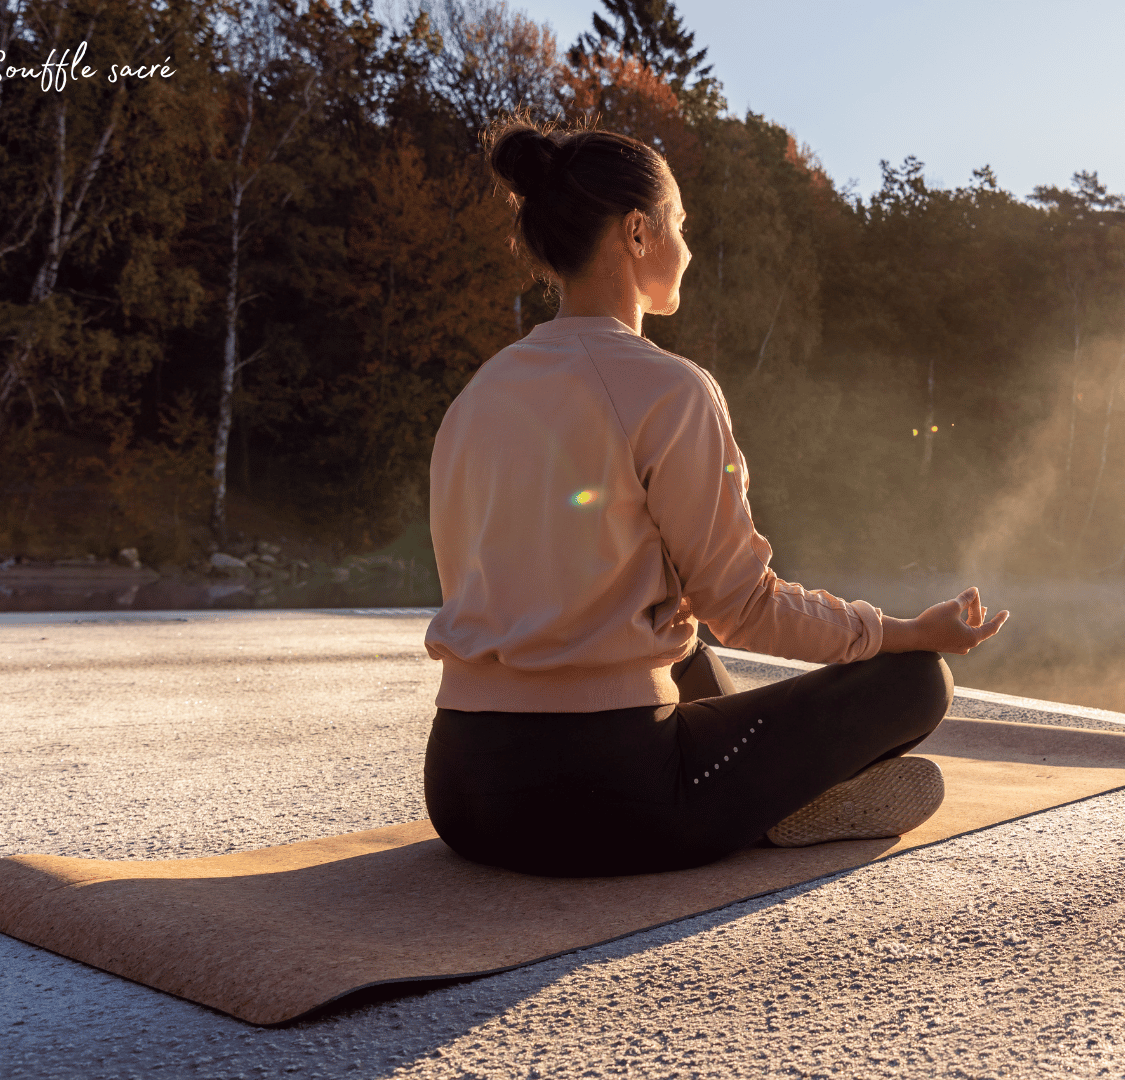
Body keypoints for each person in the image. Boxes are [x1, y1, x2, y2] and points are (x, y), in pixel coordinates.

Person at [422, 122, 1009, 877]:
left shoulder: (477, 394)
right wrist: (904, 631)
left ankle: (766, 797)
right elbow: (747, 606)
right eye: (682, 226)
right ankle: (783, 808)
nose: (688, 248)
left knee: (687, 640)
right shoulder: (670, 388)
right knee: (919, 681)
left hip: (462, 792)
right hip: (607, 797)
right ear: (638, 232)